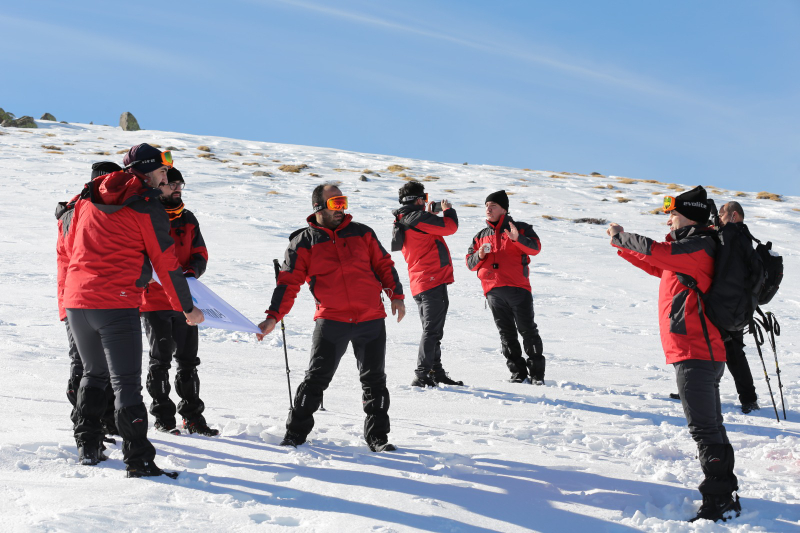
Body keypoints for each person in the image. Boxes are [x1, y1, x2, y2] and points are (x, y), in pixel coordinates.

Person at [63, 143, 204, 478]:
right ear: (145, 170)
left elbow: (69, 246)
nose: (165, 176)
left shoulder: (85, 196)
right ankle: (138, 459)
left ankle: (89, 445)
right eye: (162, 170)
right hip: (116, 302)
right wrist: (187, 307)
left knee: (93, 373)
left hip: (78, 301)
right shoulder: (146, 205)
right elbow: (166, 263)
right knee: (126, 383)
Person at [608, 186, 740, 522]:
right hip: (698, 350)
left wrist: (622, 237)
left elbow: (656, 250)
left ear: (690, 215)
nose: (668, 220)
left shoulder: (696, 245)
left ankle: (719, 499)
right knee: (711, 426)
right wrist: (622, 248)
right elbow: (658, 264)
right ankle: (726, 492)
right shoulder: (690, 249)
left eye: (673, 214)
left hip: (697, 351)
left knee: (704, 429)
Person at [257, 184, 405, 452]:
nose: (342, 209)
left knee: (375, 381)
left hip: (370, 318)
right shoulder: (303, 241)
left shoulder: (362, 233)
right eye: (336, 203)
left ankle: (378, 438)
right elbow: (288, 284)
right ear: (319, 208)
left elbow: (384, 264)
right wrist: (273, 317)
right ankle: (295, 435)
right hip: (332, 320)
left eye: (344, 202)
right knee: (316, 379)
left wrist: (396, 295)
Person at [141, 167, 217, 436]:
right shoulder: (146, 214)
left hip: (186, 302)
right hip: (154, 302)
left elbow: (200, 254)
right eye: (171, 183)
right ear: (159, 184)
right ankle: (163, 417)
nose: (176, 188)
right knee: (160, 360)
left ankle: (193, 418)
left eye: (179, 185)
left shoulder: (188, 218)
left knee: (188, 361)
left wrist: (192, 272)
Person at [56, 162, 121, 436]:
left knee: (101, 362)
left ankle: (105, 419)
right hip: (79, 297)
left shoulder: (82, 208)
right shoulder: (80, 211)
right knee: (84, 363)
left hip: (90, 296)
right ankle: (83, 419)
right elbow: (80, 256)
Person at [465, 190, 545, 384]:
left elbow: (535, 248)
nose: (488, 209)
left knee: (528, 331)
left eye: (493, 206)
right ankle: (517, 374)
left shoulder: (521, 228)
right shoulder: (480, 236)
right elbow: (469, 263)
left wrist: (518, 239)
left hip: (518, 288)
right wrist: (481, 256)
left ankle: (536, 375)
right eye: (486, 206)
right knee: (506, 334)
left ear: (504, 209)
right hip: (493, 292)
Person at [391, 180, 462, 387]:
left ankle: (436, 372)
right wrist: (448, 211)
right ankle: (421, 375)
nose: (426, 202)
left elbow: (429, 234)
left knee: (433, 330)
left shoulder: (405, 218)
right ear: (419, 200)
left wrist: (430, 215)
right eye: (425, 198)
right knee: (432, 331)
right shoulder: (416, 217)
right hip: (431, 280)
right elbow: (450, 227)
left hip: (421, 282)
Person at [717, 201, 759, 414]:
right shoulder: (745, 236)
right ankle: (749, 398)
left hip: (724, 306)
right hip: (739, 308)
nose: (718, 218)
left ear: (733, 215)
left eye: (721, 214)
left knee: (723, 352)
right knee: (733, 353)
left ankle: (696, 390)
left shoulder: (731, 235)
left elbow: (724, 273)